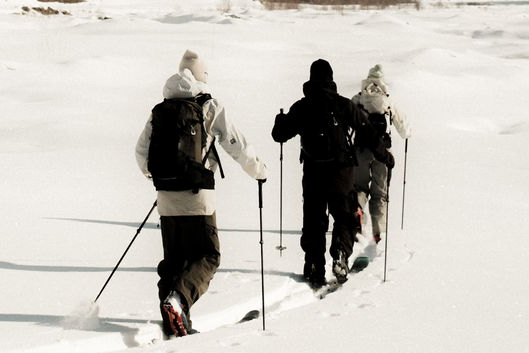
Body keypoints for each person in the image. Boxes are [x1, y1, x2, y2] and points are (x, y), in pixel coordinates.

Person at [135, 50, 267, 337]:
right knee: (208, 256)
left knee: (173, 263)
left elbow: (141, 151)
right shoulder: (208, 105)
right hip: (198, 195)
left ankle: (175, 319)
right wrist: (258, 170)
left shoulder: (162, 108)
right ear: (202, 75)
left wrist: (158, 176)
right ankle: (179, 301)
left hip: (166, 197)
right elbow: (235, 143)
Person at [271, 59, 369, 288]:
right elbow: (367, 131)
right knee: (345, 218)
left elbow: (279, 135)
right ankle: (340, 254)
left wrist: (280, 120)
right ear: (331, 79)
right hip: (341, 175)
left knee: (314, 222)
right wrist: (386, 156)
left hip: (313, 174)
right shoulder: (343, 105)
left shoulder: (302, 106)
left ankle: (314, 267)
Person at [353, 64, 411, 245]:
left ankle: (357, 211)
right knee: (379, 192)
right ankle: (378, 231)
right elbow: (402, 124)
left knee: (360, 186)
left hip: (361, 149)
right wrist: (406, 134)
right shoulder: (388, 100)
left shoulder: (359, 98)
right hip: (383, 152)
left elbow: (346, 118)